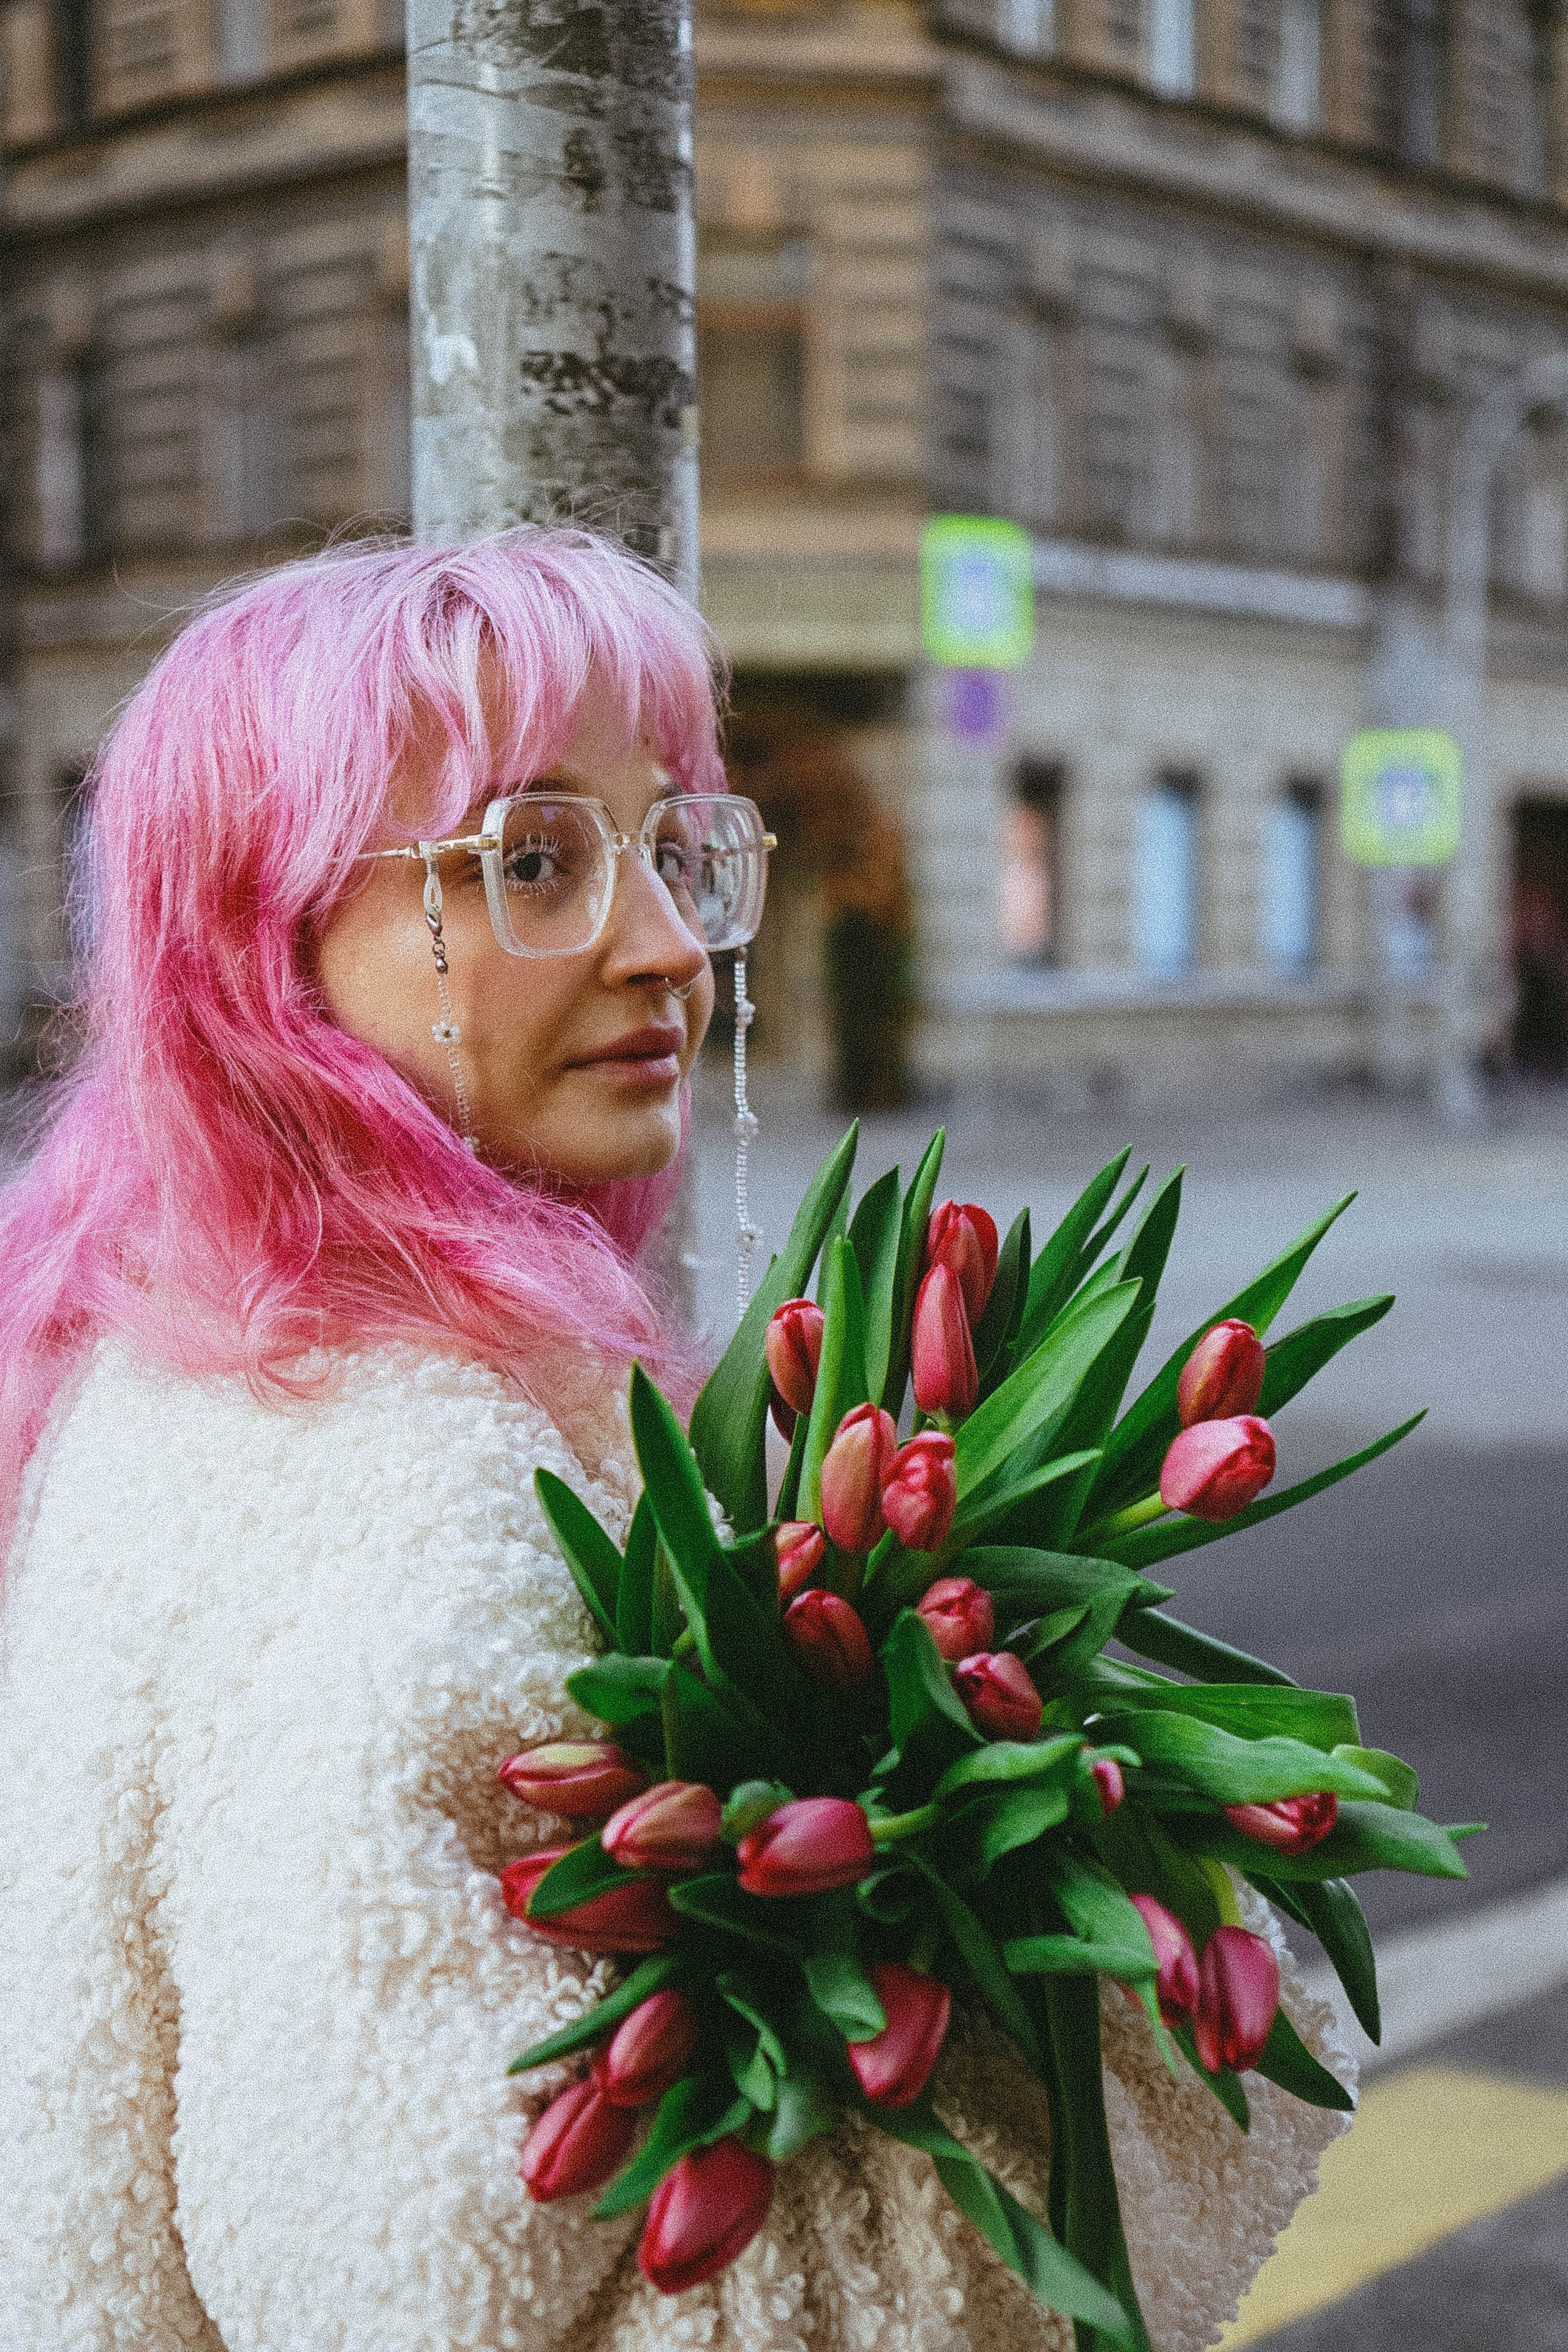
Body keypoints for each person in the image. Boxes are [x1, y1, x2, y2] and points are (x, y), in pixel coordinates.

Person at [0, 530, 1347, 2352]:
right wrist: (1143, 2024)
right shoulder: (402, 1484)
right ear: (269, 944)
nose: (664, 948)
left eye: (671, 847)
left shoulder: (194, 1338)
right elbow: (441, 2293)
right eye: (533, 860)